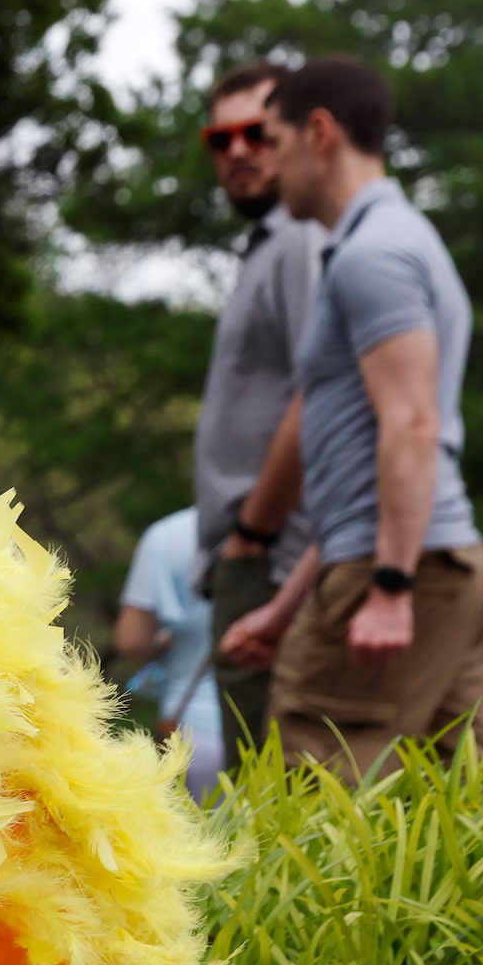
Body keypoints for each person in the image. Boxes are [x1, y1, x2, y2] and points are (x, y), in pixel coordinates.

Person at [220, 58, 483, 779]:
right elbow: (363, 476)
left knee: (307, 795)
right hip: (443, 565)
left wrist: (389, 589)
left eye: (275, 142)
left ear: (320, 133)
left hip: (410, 572)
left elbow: (411, 428)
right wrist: (283, 610)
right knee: (457, 811)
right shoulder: (397, 243)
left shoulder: (373, 256)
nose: (269, 166)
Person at [190, 62, 325, 760]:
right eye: (221, 138)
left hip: (277, 558)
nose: (238, 150)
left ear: (296, 133)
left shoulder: (301, 241)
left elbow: (324, 389)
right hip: (261, 555)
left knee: (276, 801)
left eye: (255, 132)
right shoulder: (268, 246)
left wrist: (253, 532)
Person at [115, 506, 224, 800]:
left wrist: (164, 640)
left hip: (196, 732)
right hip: (298, 728)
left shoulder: (167, 534)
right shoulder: (308, 524)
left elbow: (132, 640)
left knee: (207, 840)